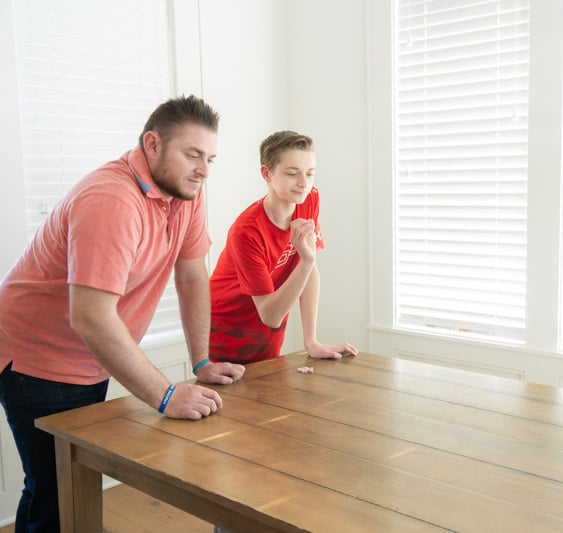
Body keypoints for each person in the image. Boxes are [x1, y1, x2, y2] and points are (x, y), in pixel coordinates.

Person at [0, 94, 246, 533]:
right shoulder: (111, 198)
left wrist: (201, 361)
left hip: (88, 353)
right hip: (35, 357)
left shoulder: (185, 191)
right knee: (55, 492)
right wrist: (165, 394)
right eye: (192, 154)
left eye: (210, 158)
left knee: (70, 486)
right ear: (152, 144)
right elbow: (91, 316)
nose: (204, 170)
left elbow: (191, 276)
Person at [209, 131, 357, 364]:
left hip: (268, 336)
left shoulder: (308, 199)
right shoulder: (246, 232)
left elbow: (308, 273)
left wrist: (312, 342)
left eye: (310, 174)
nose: (303, 183)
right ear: (266, 174)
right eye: (292, 173)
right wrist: (307, 260)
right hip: (226, 333)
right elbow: (271, 316)